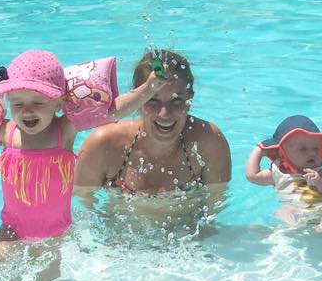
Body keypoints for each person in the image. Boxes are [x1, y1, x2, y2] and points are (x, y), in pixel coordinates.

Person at [0, 48, 169, 281]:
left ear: (59, 103)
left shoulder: (65, 130)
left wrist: (149, 88)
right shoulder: (6, 132)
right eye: (18, 104)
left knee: (45, 280)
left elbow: (113, 111)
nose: (27, 111)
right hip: (12, 227)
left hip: (54, 230)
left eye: (38, 103)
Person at [74, 49, 231, 228]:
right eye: (152, 100)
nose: (165, 114)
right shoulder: (104, 145)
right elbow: (82, 212)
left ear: (190, 100)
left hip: (188, 239)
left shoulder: (209, 142)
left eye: (177, 100)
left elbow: (215, 211)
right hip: (117, 240)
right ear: (137, 100)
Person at [246, 115, 322, 232]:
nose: (312, 153)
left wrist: (320, 183)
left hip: (321, 205)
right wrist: (259, 150)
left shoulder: (321, 172)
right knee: (282, 212)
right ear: (282, 153)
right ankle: (294, 228)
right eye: (303, 149)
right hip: (293, 208)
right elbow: (252, 176)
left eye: (316, 148)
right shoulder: (278, 173)